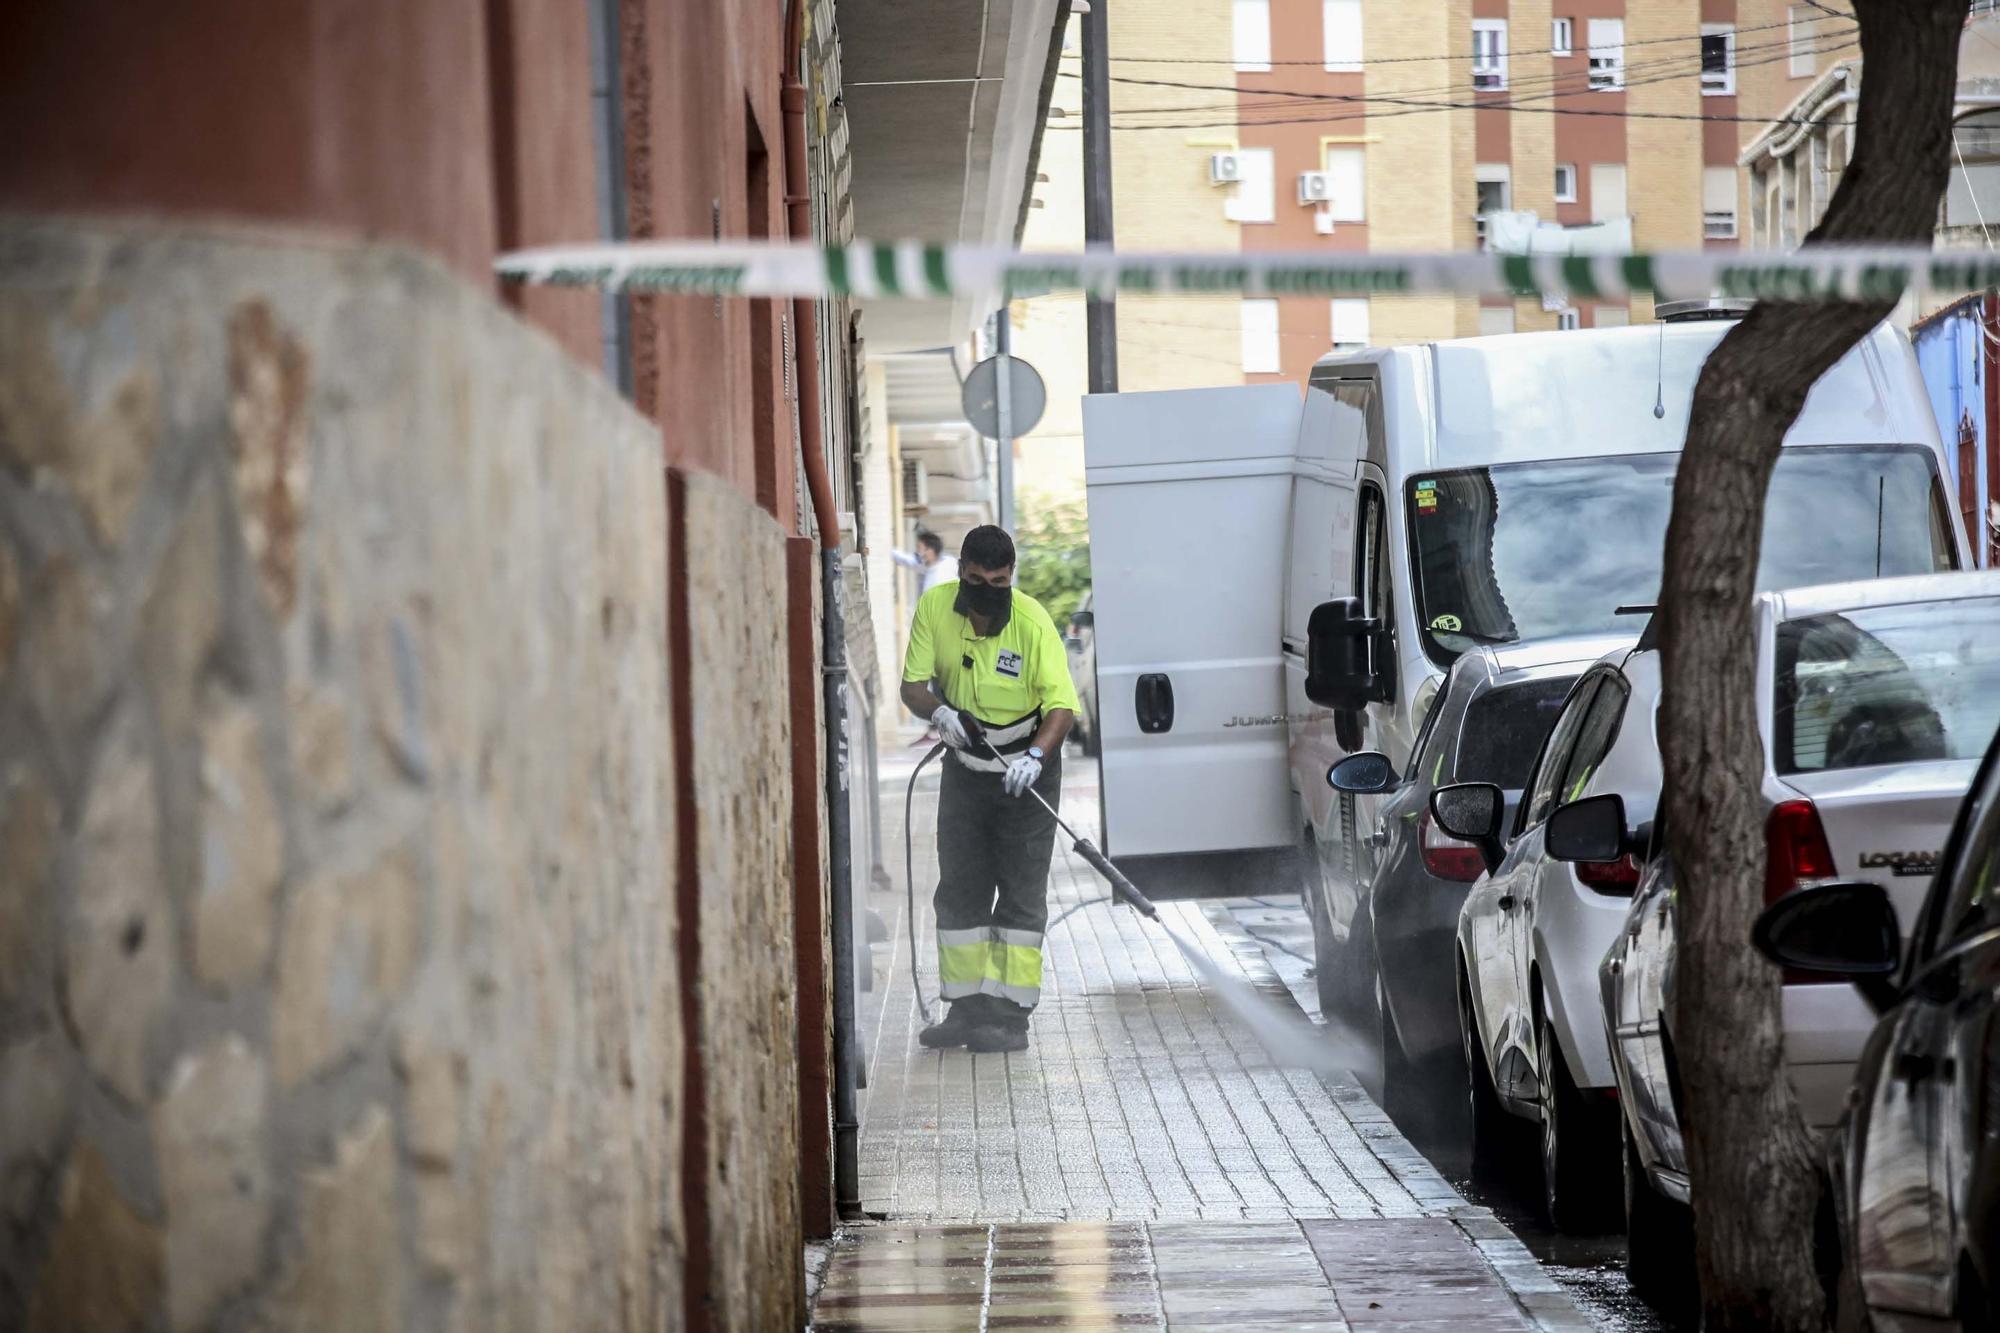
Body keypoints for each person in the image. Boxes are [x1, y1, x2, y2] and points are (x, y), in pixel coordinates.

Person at [899, 524, 1078, 1053]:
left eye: (998, 582)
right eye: (976, 579)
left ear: (1010, 578)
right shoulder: (936, 609)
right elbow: (912, 687)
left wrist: (1036, 756)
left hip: (1026, 772)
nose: (987, 590)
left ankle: (1008, 1017)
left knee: (1021, 895)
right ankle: (965, 1009)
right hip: (965, 771)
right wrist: (941, 713)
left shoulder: (1031, 621)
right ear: (961, 574)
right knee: (960, 890)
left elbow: (1062, 707)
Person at [891, 530, 960, 594]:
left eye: (919, 548)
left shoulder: (938, 577)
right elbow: (906, 560)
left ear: (929, 551)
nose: (917, 552)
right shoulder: (932, 565)